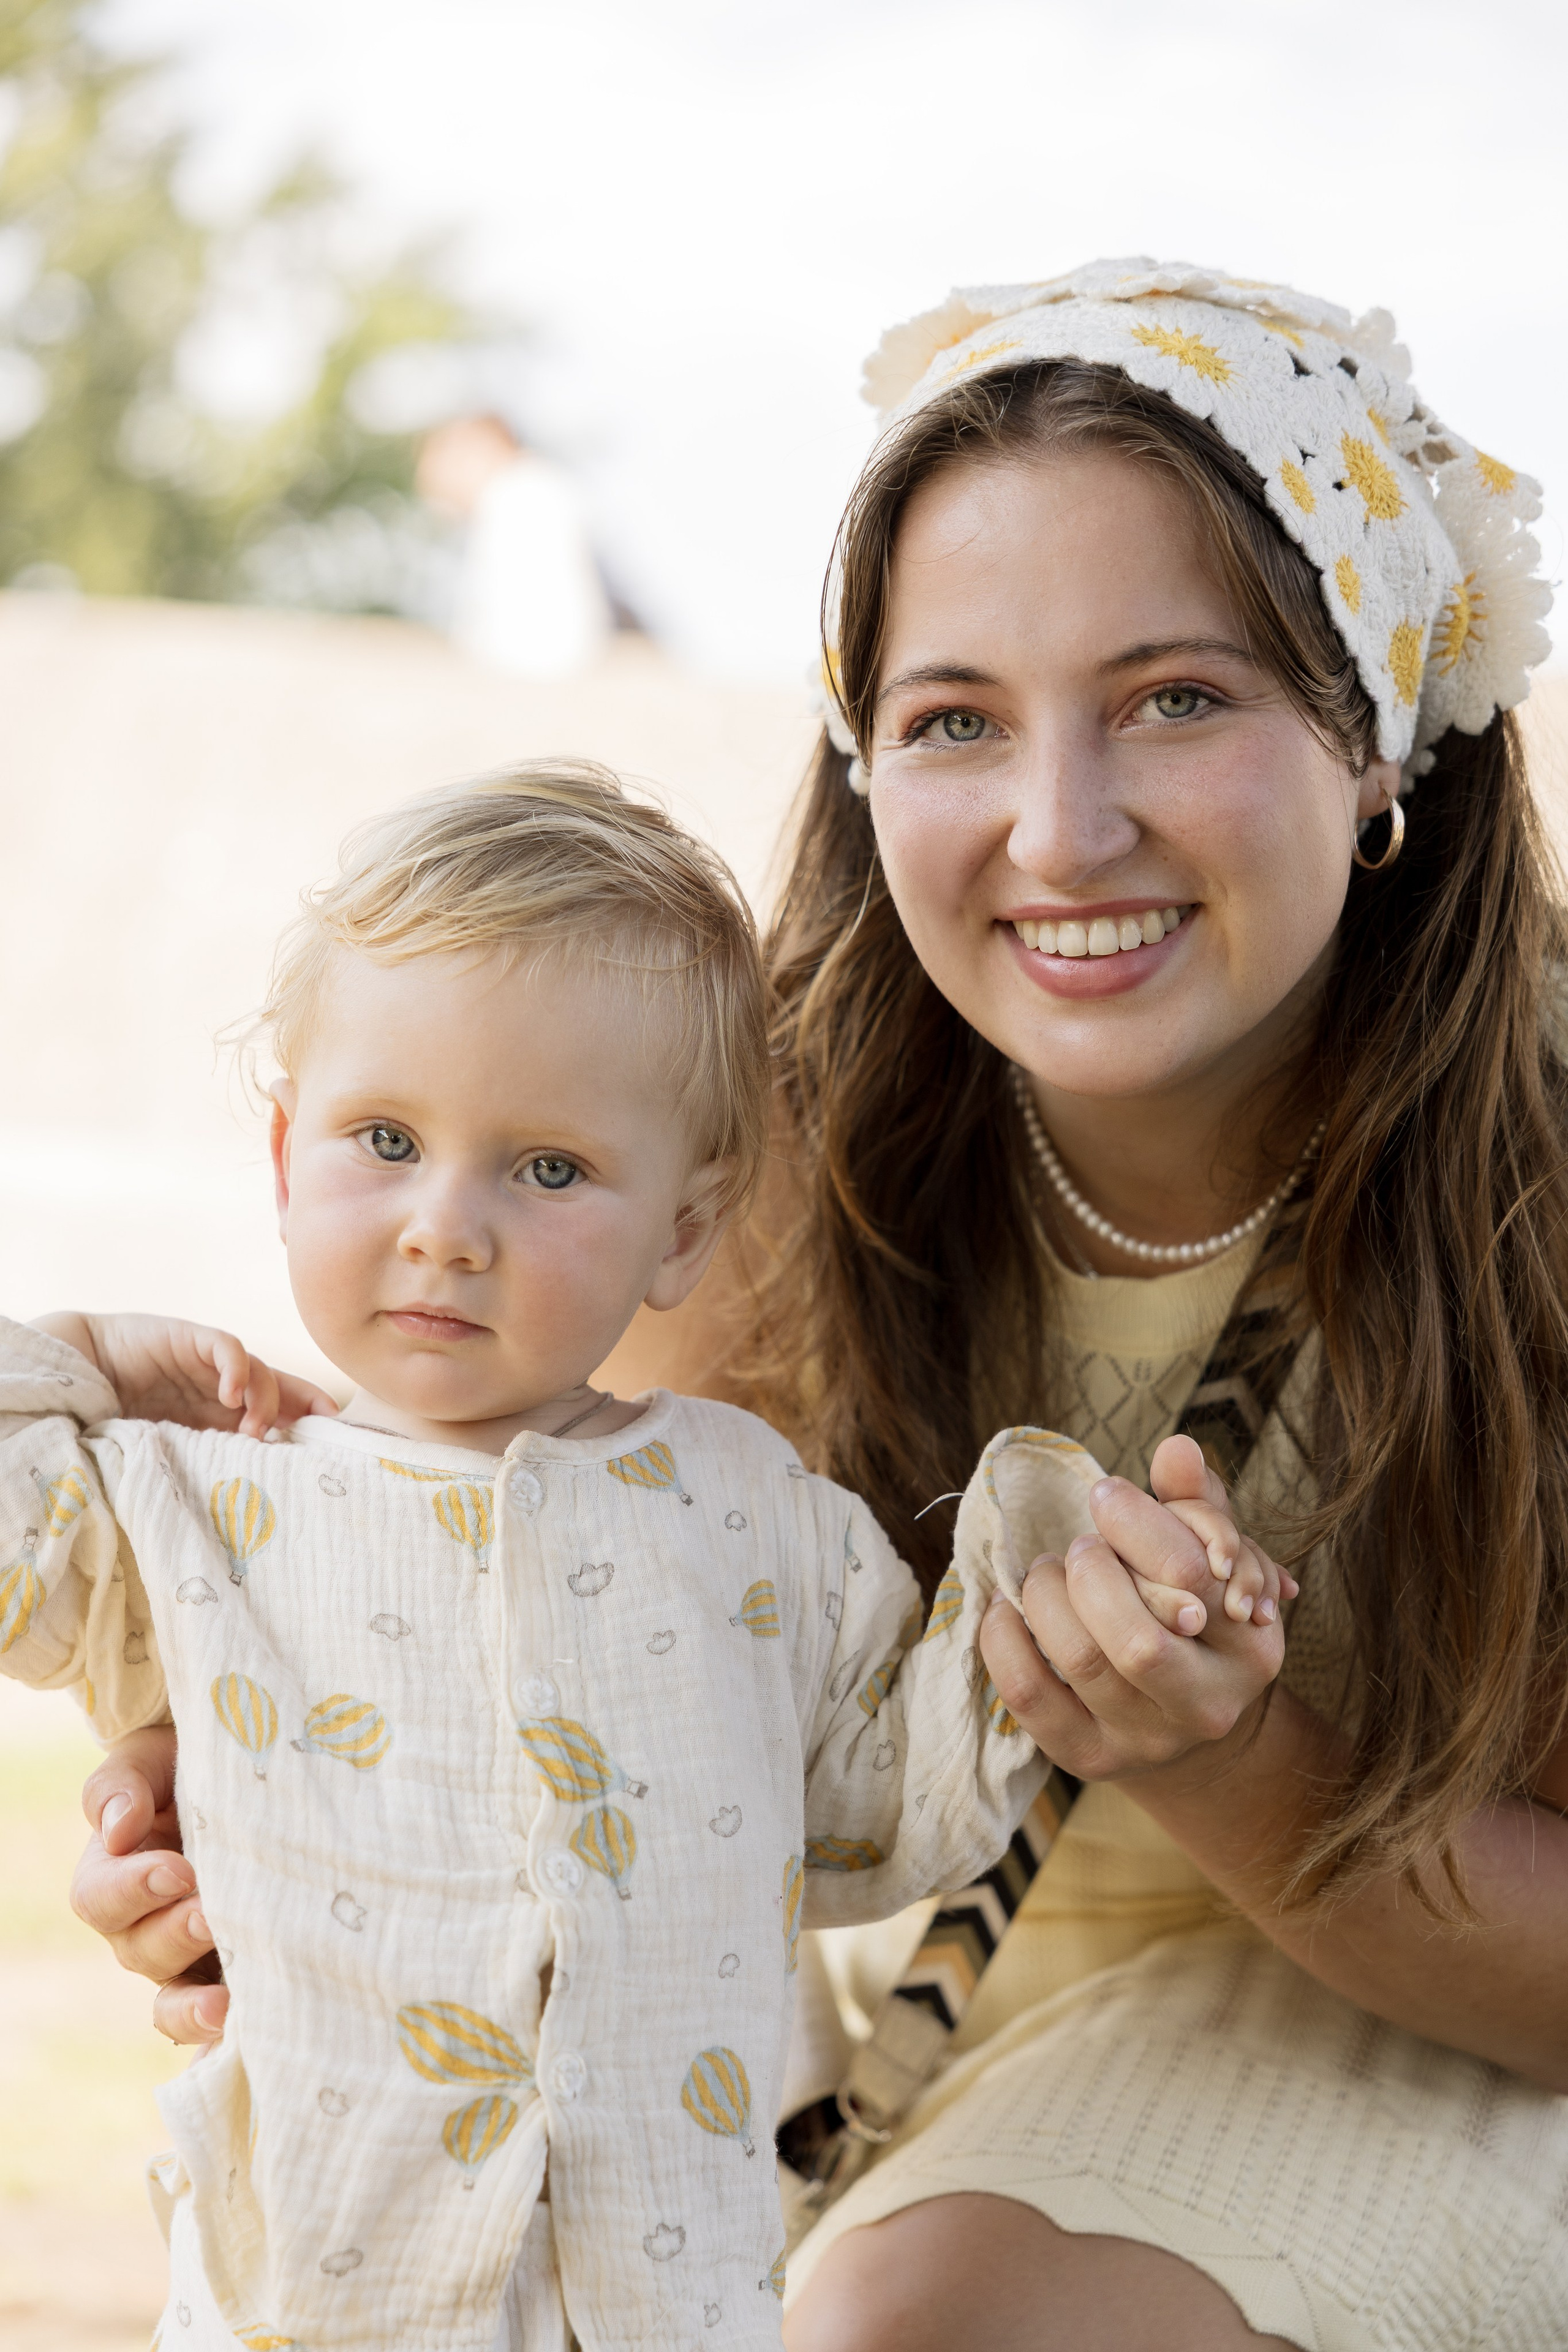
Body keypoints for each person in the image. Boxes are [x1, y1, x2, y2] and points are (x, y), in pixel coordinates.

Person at [74, 257, 1567, 2350]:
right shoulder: (748, 1152)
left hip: (1432, 2041)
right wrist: (323, 1819)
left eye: (1179, 697)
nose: (1062, 832)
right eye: (957, 719)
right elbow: (579, 1612)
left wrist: (1222, 1756)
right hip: (861, 2069)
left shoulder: (1540, 1184)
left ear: (1379, 736)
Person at [3, 760, 1270, 2351]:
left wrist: (1084, 1570)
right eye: (383, 1139)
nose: (446, 1227)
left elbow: (887, 1803)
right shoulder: (192, 1508)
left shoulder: (754, 1513)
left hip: (664, 2306)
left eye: (549, 1170)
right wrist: (89, 1359)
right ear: (279, 1160)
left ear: (684, 1227)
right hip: (312, 2302)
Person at [416, 415, 612, 679]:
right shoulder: (540, 485)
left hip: (532, 663)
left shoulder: (509, 499)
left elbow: (494, 620)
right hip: (566, 658)